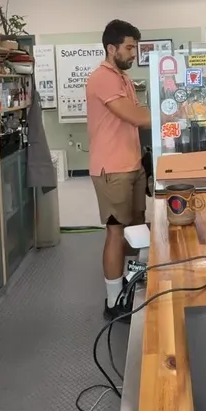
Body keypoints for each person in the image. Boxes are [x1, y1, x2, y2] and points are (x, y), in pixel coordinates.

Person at [86, 19, 150, 319]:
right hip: (112, 169)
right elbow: (135, 117)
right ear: (112, 49)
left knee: (136, 230)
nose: (133, 53)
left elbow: (136, 114)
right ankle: (113, 303)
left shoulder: (123, 78)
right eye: (129, 48)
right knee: (116, 232)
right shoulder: (103, 78)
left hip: (132, 164)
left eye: (134, 48)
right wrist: (173, 113)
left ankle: (130, 286)